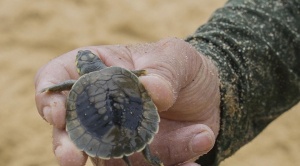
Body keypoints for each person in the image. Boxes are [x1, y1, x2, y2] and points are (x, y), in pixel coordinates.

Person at [34, 0, 300, 165]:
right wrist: (222, 70)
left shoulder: (78, 86)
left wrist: (52, 89)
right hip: (131, 118)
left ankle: (144, 156)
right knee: (135, 140)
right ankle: (148, 155)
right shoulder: (122, 74)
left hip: (101, 131)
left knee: (122, 147)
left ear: (80, 72)